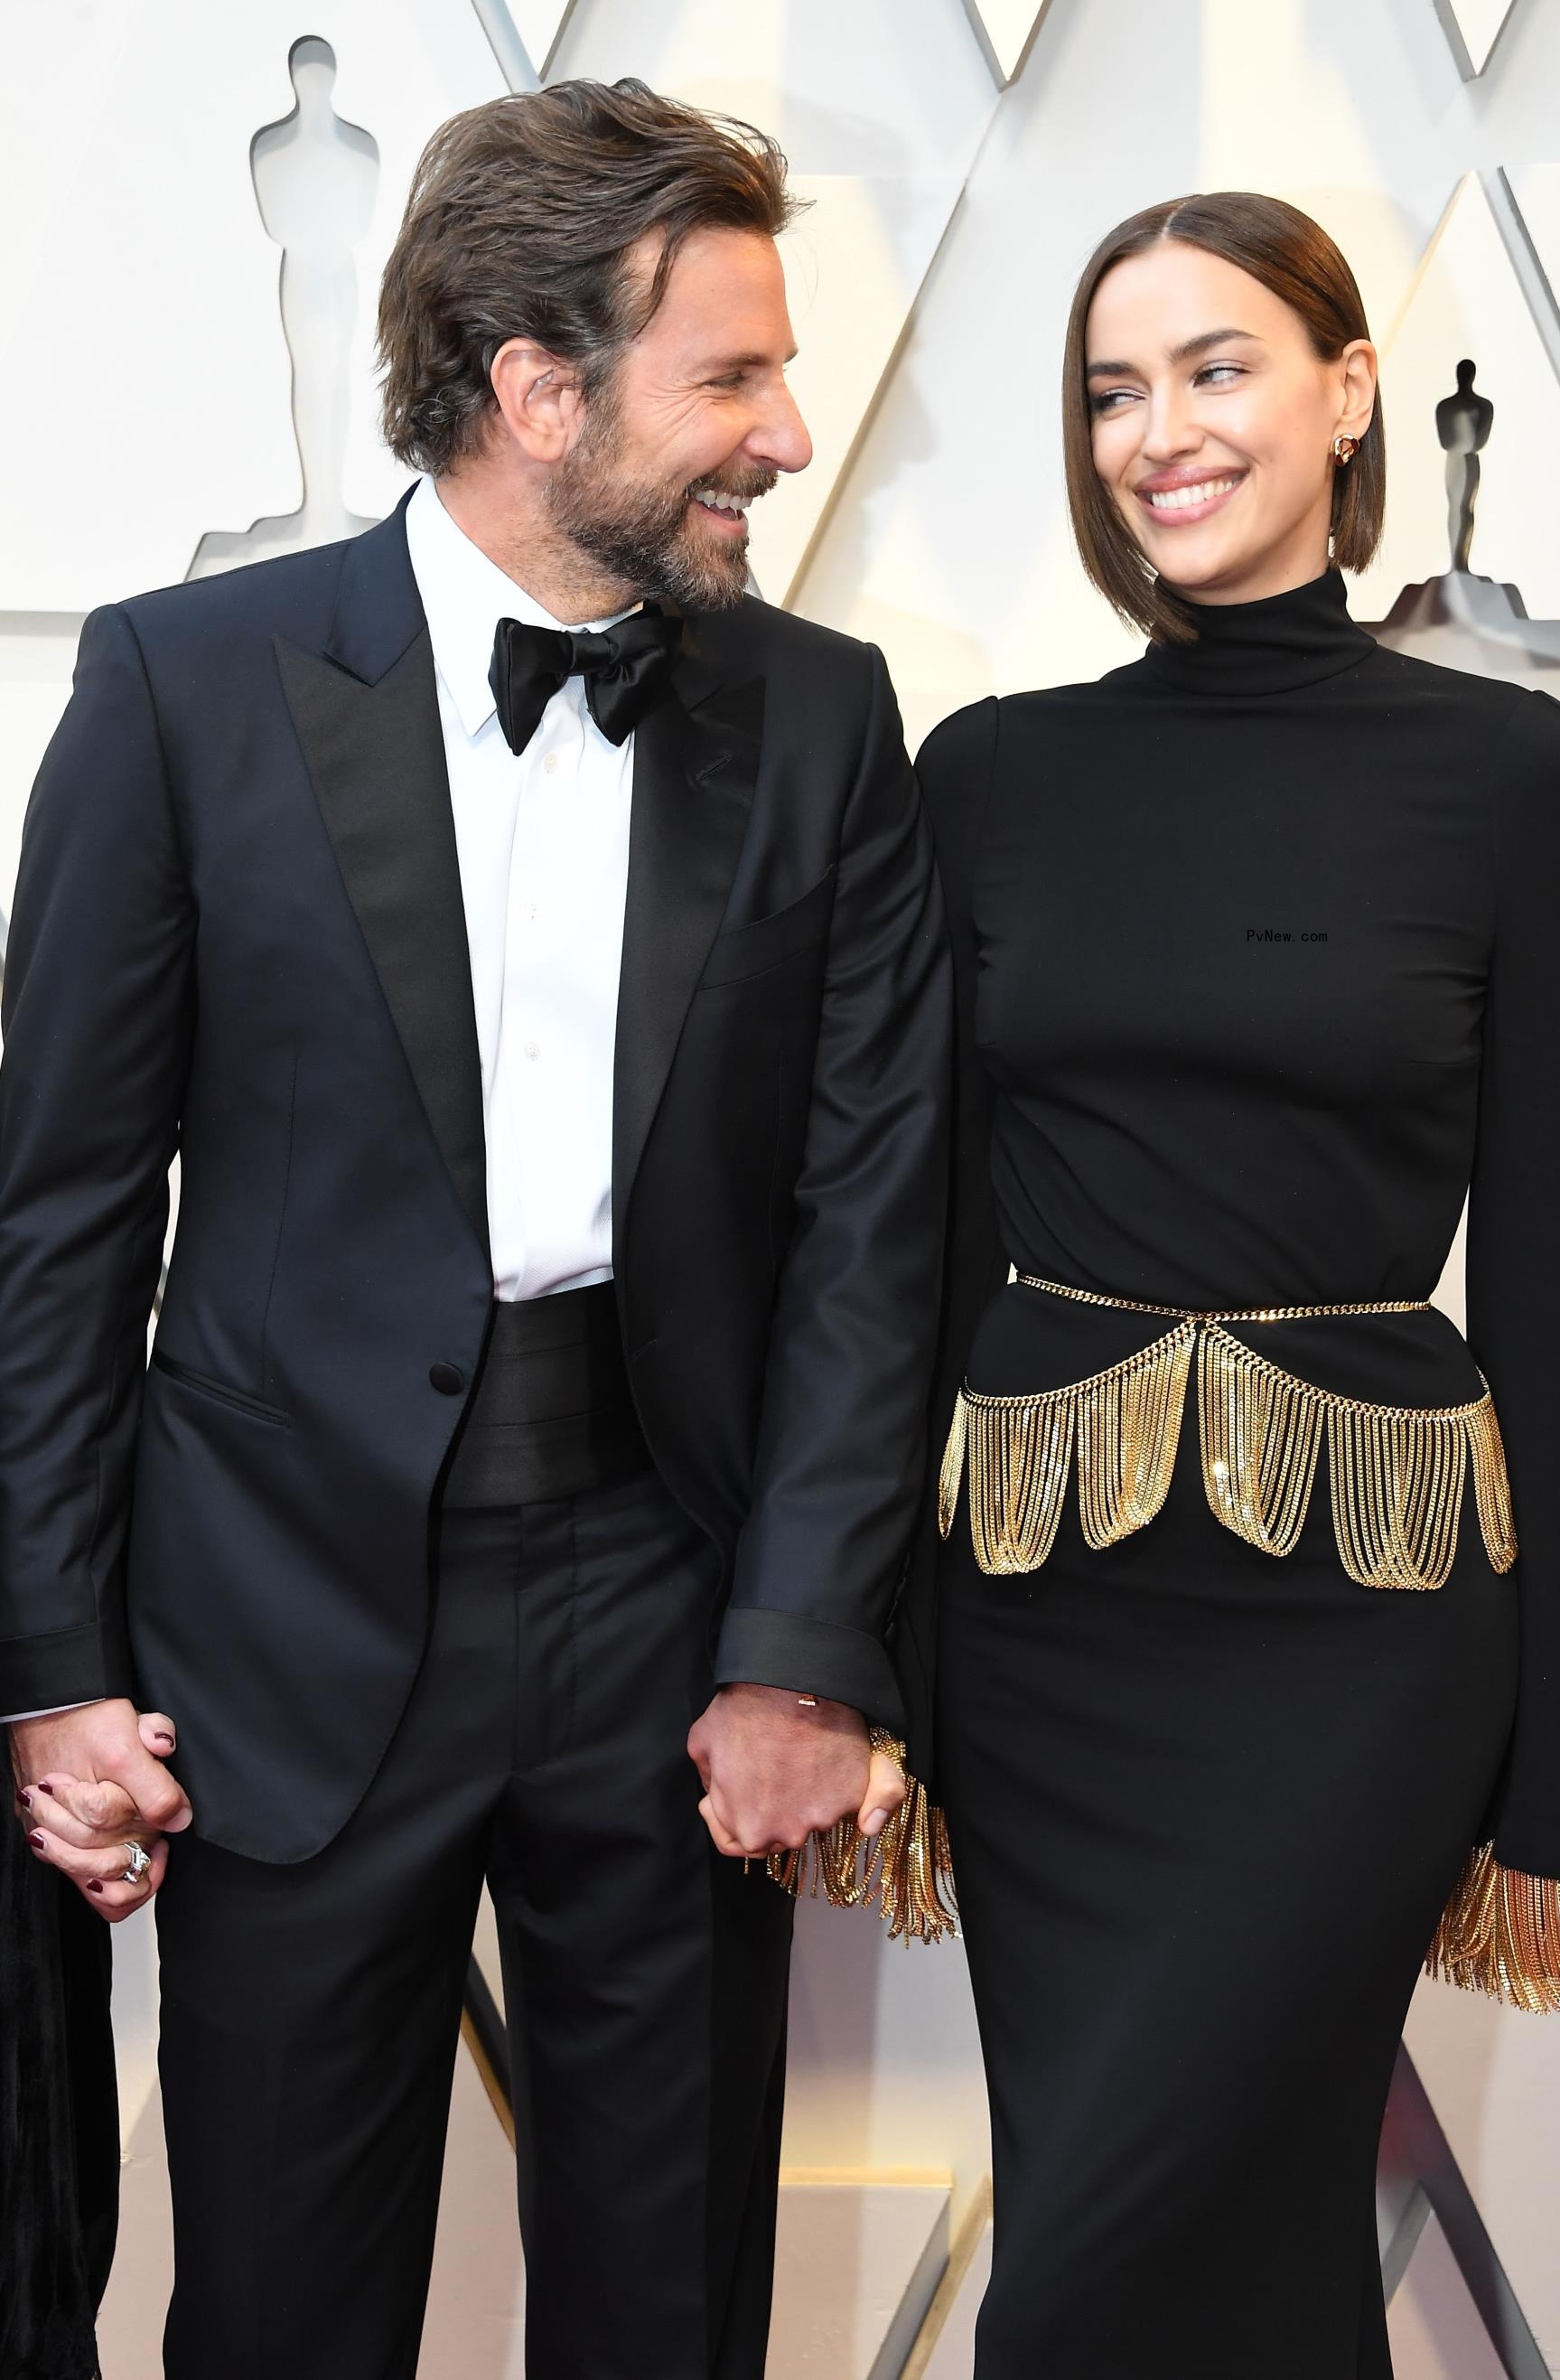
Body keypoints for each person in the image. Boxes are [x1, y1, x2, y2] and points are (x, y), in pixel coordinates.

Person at [0, 78, 948, 2380]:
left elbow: (870, 1214)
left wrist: (804, 1645)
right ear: (537, 387)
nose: (790, 432)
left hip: (673, 1605)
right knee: (285, 2316)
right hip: (278, 1617)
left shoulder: (823, 720)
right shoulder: (178, 688)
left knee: (670, 2315)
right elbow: (56, 1220)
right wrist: (47, 1666)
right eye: (731, 376)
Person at [894, 192, 1560, 2378]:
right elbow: (923, 1254)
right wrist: (871, 1660)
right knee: (1216, 2233)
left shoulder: (1512, 780)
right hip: (1040, 1631)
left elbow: (1544, 1283)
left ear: (1345, 394)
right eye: (1113, 390)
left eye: (1214, 368)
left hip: (1364, 1648)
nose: (1157, 433)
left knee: (1133, 2242)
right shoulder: (992, 777)